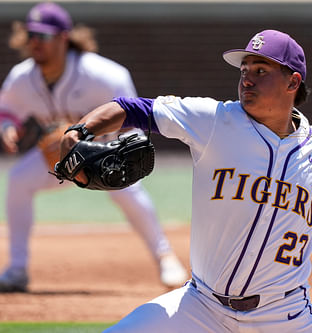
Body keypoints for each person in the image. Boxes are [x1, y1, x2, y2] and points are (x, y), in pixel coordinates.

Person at [60, 29, 312, 332]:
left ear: (293, 82)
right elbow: (134, 108)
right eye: (244, 69)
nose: (247, 78)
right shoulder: (215, 120)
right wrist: (80, 131)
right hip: (200, 307)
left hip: (283, 315)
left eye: (261, 70)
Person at [0, 2, 188, 292]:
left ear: (64, 37)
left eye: (44, 36)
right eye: (32, 35)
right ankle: (16, 269)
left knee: (129, 192)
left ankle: (165, 258)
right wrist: (7, 128)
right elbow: (8, 110)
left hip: (106, 153)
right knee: (18, 180)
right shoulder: (23, 77)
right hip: (57, 158)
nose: (36, 42)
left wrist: (115, 150)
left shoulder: (104, 75)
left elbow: (134, 121)